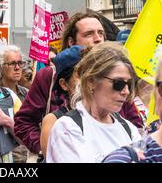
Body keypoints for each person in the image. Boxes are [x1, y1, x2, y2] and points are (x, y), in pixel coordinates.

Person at [14, 11, 106, 160]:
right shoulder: (49, 75)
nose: (98, 39)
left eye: (101, 33)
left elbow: (132, 121)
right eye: (89, 34)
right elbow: (23, 122)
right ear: (71, 42)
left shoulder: (113, 76)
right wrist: (46, 146)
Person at [46, 42, 141, 163]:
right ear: (91, 82)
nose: (126, 91)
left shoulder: (129, 129)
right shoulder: (67, 129)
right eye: (119, 83)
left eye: (129, 84)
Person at [39, 45, 83, 157]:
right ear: (64, 84)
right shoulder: (53, 122)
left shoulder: (110, 116)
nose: (89, 78)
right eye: (81, 74)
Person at [0, 45, 29, 163]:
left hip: (28, 156)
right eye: (12, 63)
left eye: (20, 63)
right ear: (1, 67)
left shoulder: (28, 95)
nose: (17, 68)